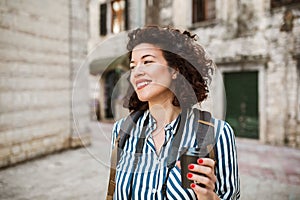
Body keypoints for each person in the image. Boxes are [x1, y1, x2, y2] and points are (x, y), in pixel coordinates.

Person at [110, 26, 240, 200]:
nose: (136, 72)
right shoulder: (122, 130)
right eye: (133, 66)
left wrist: (209, 197)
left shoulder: (218, 133)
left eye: (147, 61)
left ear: (175, 70)